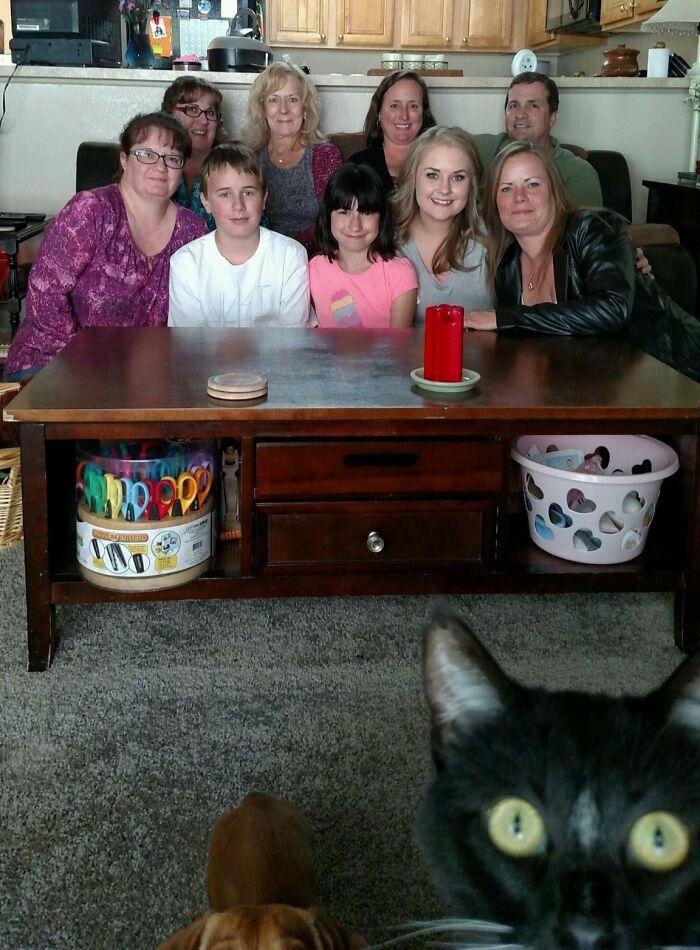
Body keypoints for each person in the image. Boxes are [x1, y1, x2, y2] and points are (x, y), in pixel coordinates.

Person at [464, 140, 700, 383]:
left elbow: (613, 308)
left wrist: (505, 318)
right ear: (495, 202)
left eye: (532, 184)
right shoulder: (507, 269)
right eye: (506, 188)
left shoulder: (591, 229)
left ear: (554, 191)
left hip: (675, 374)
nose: (519, 197)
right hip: (590, 390)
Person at [5, 112, 206, 380]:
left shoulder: (193, 230)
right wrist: (88, 368)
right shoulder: (90, 211)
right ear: (124, 159)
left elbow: (197, 319)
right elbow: (45, 295)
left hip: (146, 378)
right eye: (146, 154)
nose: (160, 168)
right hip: (54, 363)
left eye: (172, 158)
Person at [168, 143, 310, 328]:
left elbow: (295, 339)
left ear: (264, 198)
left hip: (276, 358)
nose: (238, 205)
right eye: (225, 194)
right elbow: (188, 344)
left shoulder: (290, 256)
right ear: (206, 202)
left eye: (248, 192)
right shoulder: (185, 263)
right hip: (206, 358)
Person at [392, 126, 492, 325]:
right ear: (413, 177)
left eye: (458, 177)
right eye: (432, 175)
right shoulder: (384, 236)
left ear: (471, 183)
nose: (444, 189)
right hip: (410, 356)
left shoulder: (493, 233)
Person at [244, 62, 342, 254]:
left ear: (305, 108)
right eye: (273, 100)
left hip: (313, 260)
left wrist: (287, 252)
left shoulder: (325, 155)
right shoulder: (250, 157)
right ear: (262, 109)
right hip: (260, 259)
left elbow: (334, 219)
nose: (283, 110)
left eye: (292, 100)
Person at [473, 73, 603, 208]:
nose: (520, 114)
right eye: (513, 106)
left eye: (533, 106)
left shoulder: (578, 173)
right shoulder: (486, 149)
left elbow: (587, 227)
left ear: (552, 118)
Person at [310, 164, 417, 328]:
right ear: (328, 216)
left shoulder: (399, 273)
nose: (355, 226)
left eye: (366, 213)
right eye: (344, 212)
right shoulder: (312, 270)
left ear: (381, 218)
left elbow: (399, 348)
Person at [348, 70, 436, 192]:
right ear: (379, 112)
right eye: (395, 106)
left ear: (424, 113)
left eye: (413, 106)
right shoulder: (358, 165)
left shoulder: (440, 160)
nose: (404, 116)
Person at [161, 75, 228, 231]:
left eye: (210, 113)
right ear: (170, 114)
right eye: (192, 109)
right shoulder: (153, 165)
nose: (204, 121)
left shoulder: (234, 166)